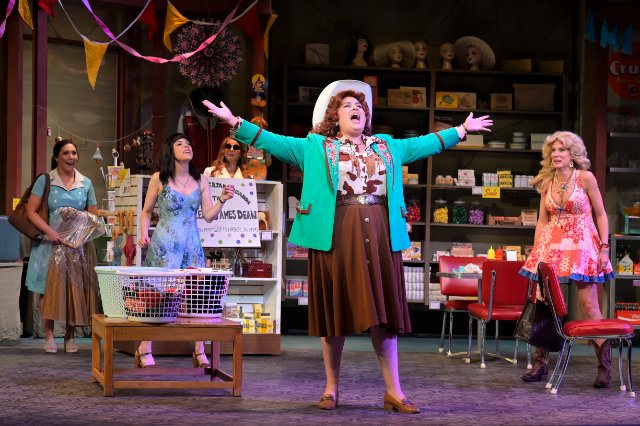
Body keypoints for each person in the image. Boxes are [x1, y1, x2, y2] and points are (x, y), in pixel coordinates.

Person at [203, 80, 492, 413]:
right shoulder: (316, 146)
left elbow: (425, 144)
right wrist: (234, 121)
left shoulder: (386, 146)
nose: (355, 109)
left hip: (381, 233)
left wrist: (461, 130)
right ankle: (331, 388)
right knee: (334, 312)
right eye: (347, 106)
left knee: (385, 313)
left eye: (360, 106)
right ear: (335, 117)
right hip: (335, 234)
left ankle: (394, 391)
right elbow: (273, 141)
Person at [519, 131, 615, 386]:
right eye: (553, 150)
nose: (556, 154)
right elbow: (542, 221)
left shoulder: (585, 178)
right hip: (551, 244)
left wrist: (604, 248)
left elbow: (601, 214)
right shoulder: (547, 182)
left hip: (582, 244)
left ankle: (604, 366)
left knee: (589, 306)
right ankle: (540, 363)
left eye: (561, 149)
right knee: (545, 304)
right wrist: (537, 251)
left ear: (573, 154)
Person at [137, 133, 234, 368]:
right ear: (170, 151)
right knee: (158, 295)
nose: (186, 146)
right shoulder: (159, 178)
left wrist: (222, 200)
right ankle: (144, 347)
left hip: (191, 244)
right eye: (180, 144)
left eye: (188, 143)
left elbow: (208, 216)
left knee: (196, 296)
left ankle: (199, 351)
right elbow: (146, 211)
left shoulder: (201, 180)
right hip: (165, 244)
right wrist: (143, 233)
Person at [25, 138, 101, 354]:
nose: (71, 157)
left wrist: (78, 220)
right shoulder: (46, 180)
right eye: (66, 153)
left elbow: (93, 216)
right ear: (56, 157)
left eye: (74, 153)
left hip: (76, 245)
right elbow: (31, 211)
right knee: (48, 289)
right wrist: (51, 233)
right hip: (50, 242)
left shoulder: (85, 183)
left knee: (74, 289)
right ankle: (49, 335)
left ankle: (70, 336)